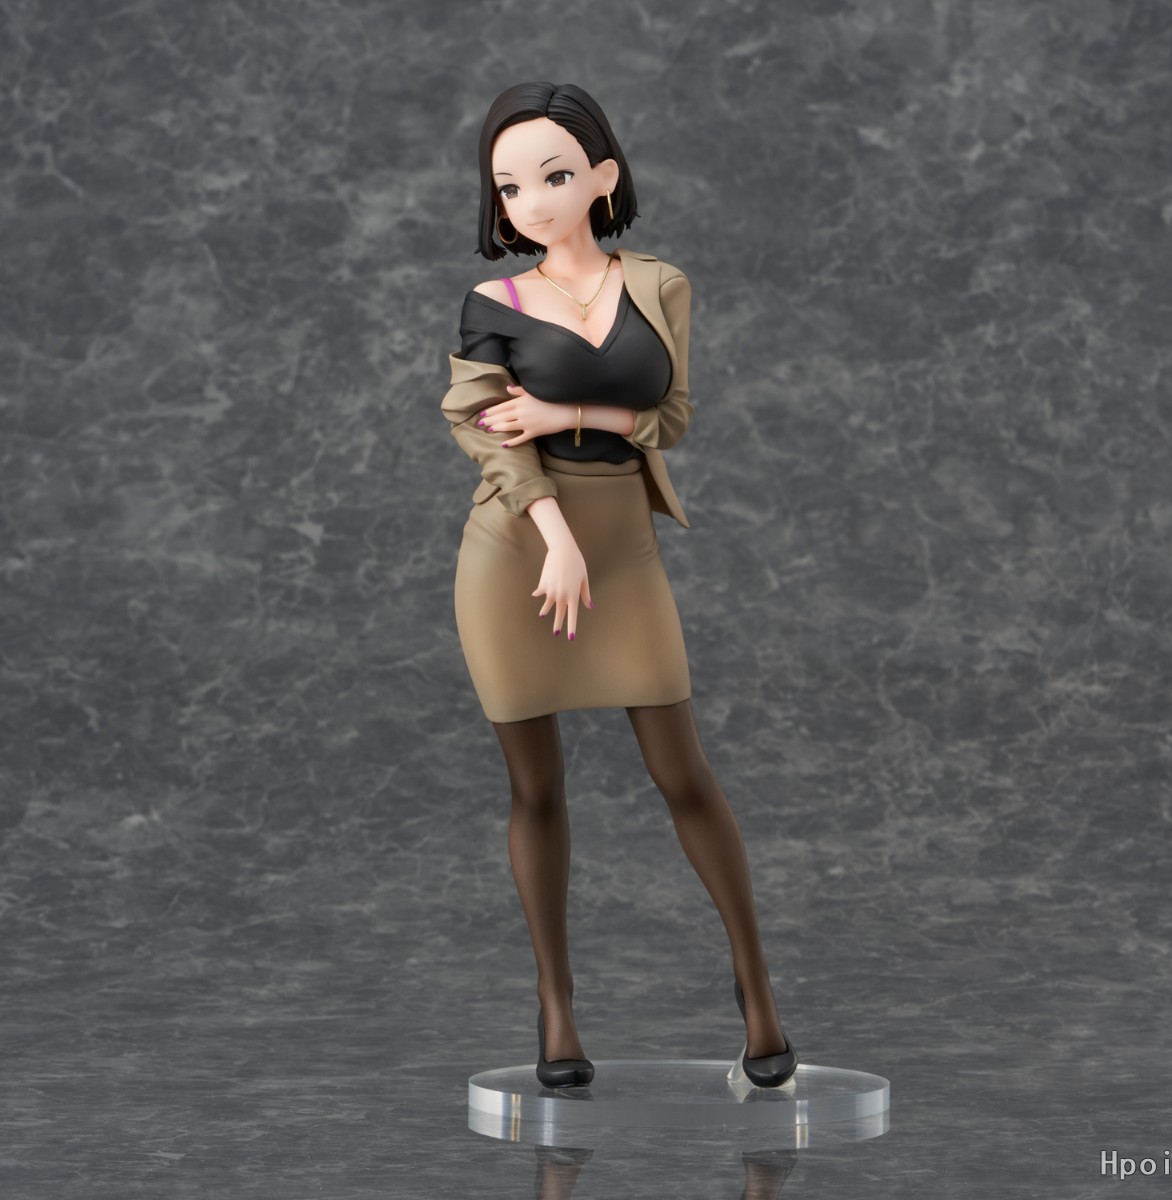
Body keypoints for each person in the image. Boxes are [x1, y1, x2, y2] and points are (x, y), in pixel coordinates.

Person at [440, 82, 797, 1089]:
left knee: (684, 772)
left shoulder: (658, 284)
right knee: (536, 787)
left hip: (624, 548)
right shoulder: (493, 306)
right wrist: (553, 534)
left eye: (554, 175)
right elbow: (483, 434)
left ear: (603, 176)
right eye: (510, 187)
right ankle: (556, 1009)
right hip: (518, 552)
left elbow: (669, 418)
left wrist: (566, 416)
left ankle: (758, 992)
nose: (532, 202)